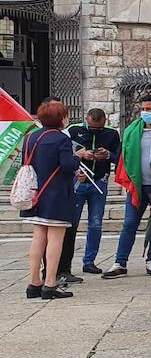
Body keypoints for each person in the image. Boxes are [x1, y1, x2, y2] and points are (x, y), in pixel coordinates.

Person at [103, 94, 151, 278]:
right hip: (137, 185)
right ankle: (120, 262)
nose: (145, 112)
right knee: (129, 224)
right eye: (142, 109)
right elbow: (123, 155)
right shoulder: (131, 131)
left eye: (149, 109)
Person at [22, 100, 79, 300]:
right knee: (55, 239)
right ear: (60, 118)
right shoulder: (60, 139)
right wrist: (77, 158)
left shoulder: (30, 138)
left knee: (38, 238)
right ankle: (50, 283)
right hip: (56, 195)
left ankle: (33, 281)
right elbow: (67, 165)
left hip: (35, 194)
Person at [59, 108, 120, 281]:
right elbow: (65, 153)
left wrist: (107, 154)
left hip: (99, 181)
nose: (95, 131)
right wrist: (81, 157)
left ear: (105, 121)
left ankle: (89, 261)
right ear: (86, 119)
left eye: (98, 128)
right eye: (92, 128)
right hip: (78, 180)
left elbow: (118, 157)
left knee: (95, 223)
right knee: (72, 224)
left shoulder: (111, 134)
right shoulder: (74, 131)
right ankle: (65, 265)